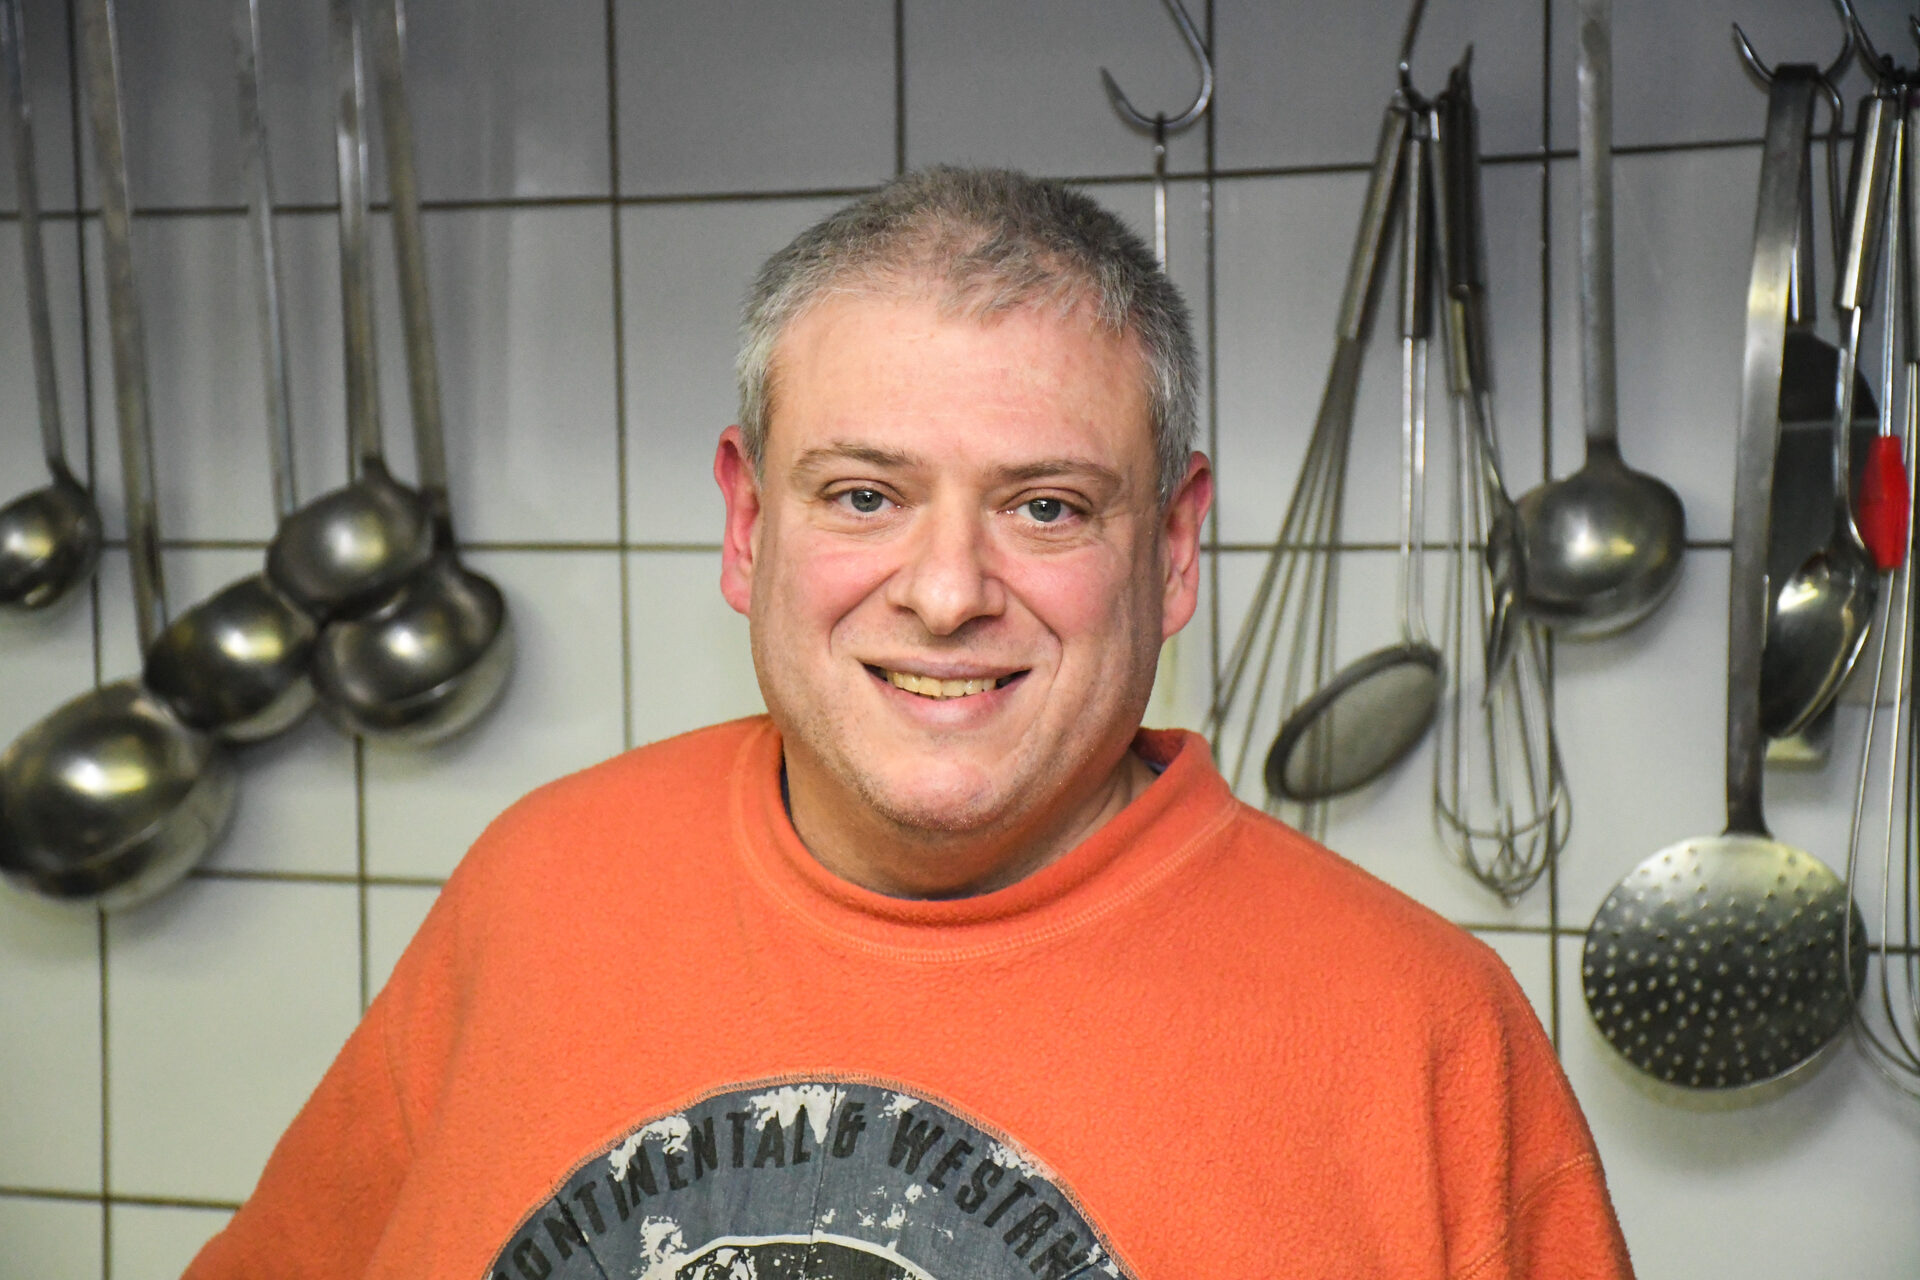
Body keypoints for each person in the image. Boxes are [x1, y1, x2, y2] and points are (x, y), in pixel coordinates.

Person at [184, 166, 1632, 1280]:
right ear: (748, 524)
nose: (946, 595)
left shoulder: (1424, 1040)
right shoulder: (538, 890)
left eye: (1045, 507)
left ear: (1176, 547)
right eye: (865, 496)